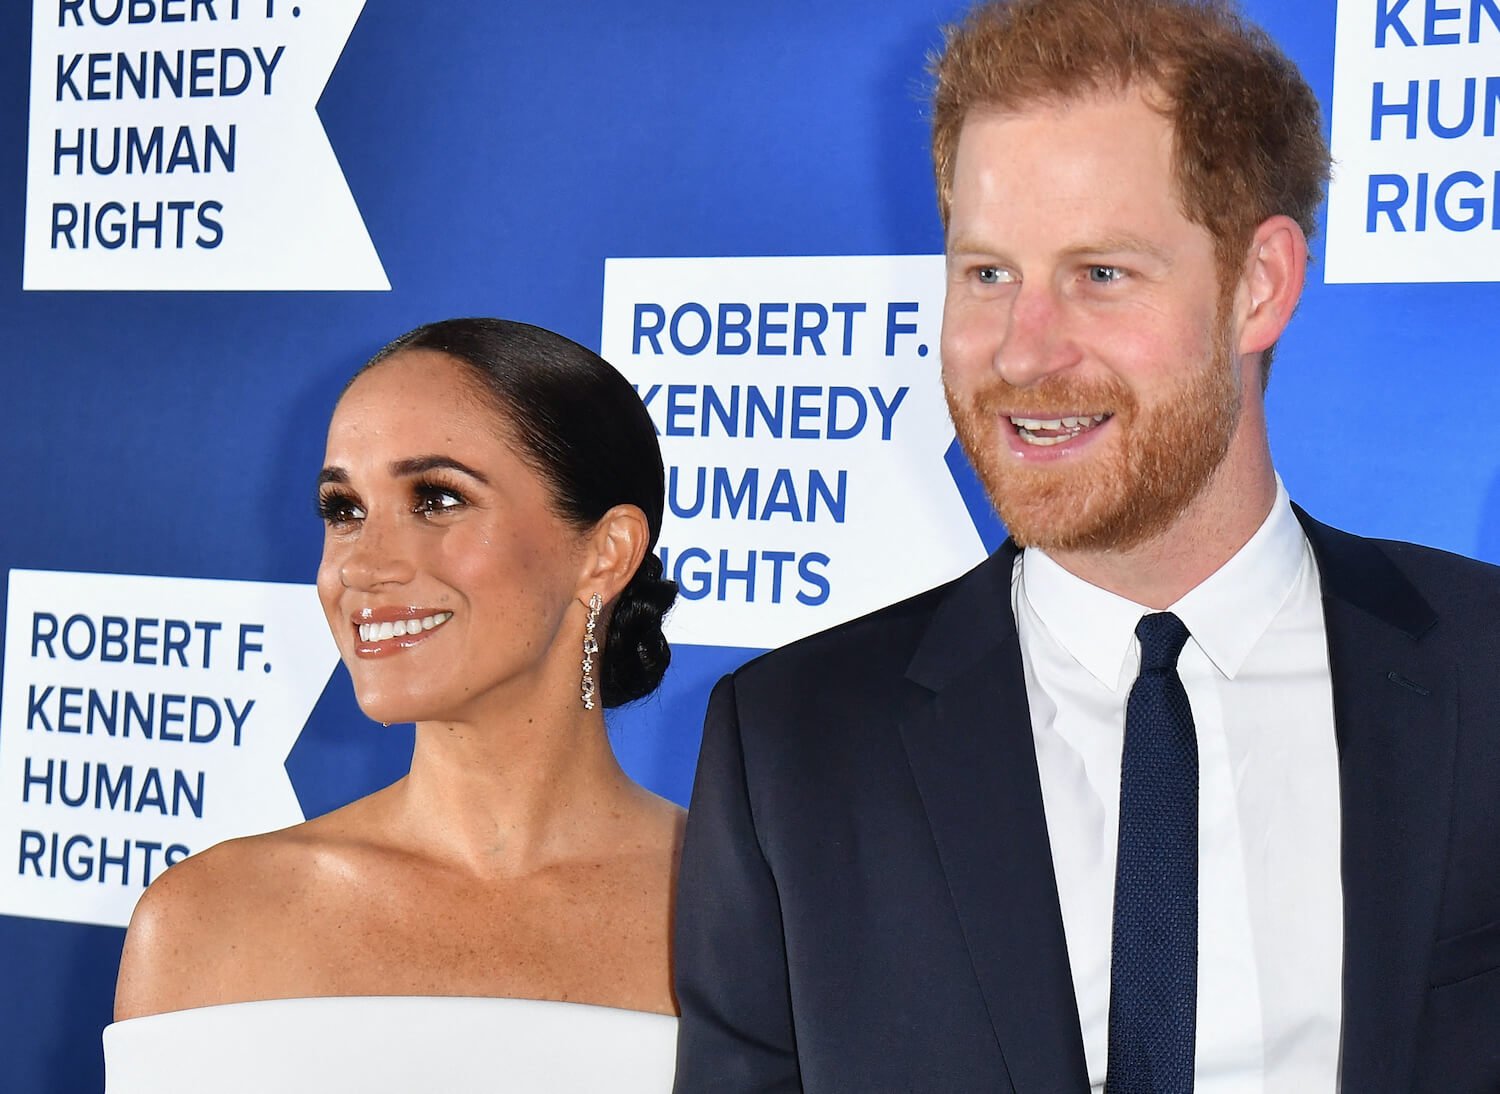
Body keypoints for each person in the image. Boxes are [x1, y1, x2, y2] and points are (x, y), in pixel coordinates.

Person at [671, 1, 1500, 1091]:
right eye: (986, 274)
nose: (1023, 351)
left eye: (1100, 274)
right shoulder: (792, 744)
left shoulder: (1483, 671)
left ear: (1260, 285)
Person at [107, 318, 684, 1092]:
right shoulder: (205, 922)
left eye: (437, 499)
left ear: (605, 552)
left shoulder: (757, 917)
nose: (364, 566)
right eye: (344, 510)